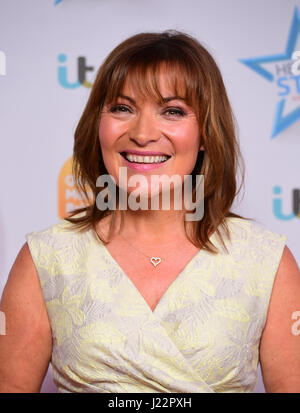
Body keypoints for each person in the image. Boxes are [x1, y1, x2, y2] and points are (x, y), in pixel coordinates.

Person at [0, 30, 300, 394]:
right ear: (98, 124)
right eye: (122, 108)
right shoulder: (45, 258)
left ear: (205, 132)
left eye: (172, 111)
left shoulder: (266, 261)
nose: (143, 134)